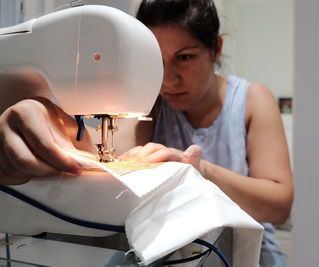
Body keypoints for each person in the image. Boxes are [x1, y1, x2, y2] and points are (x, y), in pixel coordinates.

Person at [0, 0, 293, 266]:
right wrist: (50, 121)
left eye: (184, 57)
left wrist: (199, 171)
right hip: (182, 246)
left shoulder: (252, 99)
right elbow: (104, 148)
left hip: (245, 250)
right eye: (157, 60)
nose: (169, 78)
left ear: (216, 48)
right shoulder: (154, 103)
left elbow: (278, 204)